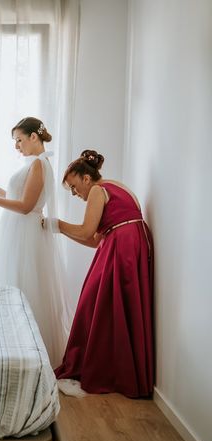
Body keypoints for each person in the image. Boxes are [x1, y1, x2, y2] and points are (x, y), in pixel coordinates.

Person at [47, 149, 154, 398]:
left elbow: (86, 232)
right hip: (129, 241)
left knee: (93, 304)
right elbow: (95, 240)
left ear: (86, 178)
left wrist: (57, 224)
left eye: (74, 187)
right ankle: (120, 369)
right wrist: (61, 230)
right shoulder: (118, 186)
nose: (75, 194)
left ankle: (102, 369)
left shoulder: (97, 190)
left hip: (122, 243)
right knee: (108, 304)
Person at [0, 117, 72, 368]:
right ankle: (11, 350)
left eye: (19, 140)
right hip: (18, 231)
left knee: (21, 287)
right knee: (14, 283)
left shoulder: (39, 164)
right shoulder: (36, 163)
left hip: (24, 235)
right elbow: (22, 198)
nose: (16, 146)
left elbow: (27, 207)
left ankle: (25, 354)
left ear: (33, 137)